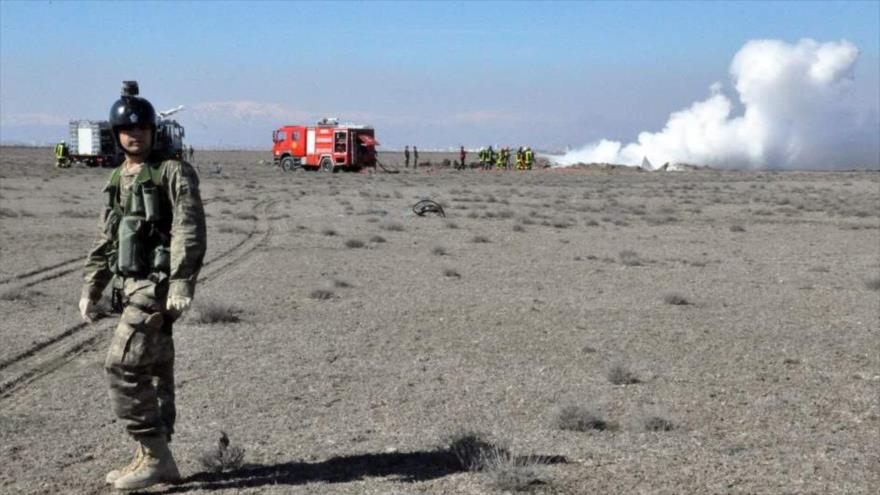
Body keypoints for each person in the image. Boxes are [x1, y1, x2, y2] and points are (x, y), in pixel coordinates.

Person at [79, 82, 206, 491]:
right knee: (153, 373)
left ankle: (153, 456)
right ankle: (154, 457)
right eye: (125, 131)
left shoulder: (173, 171)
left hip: (158, 287)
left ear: (154, 131)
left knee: (122, 365)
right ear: (117, 135)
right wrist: (92, 286)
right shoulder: (120, 176)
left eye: (141, 129)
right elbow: (106, 236)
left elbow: (188, 227)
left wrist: (183, 280)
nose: (134, 136)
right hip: (130, 285)